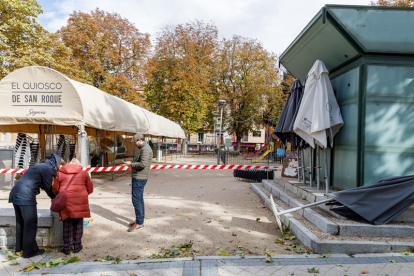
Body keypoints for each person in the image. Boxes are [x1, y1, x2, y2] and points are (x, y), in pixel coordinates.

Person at [9, 154, 65, 258]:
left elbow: (42, 184)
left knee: (21, 223)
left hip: (15, 194)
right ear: (57, 163)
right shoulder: (49, 168)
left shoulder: (41, 166)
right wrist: (56, 197)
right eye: (60, 165)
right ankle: (29, 252)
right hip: (25, 196)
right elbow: (48, 187)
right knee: (30, 224)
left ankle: (20, 249)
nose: (60, 168)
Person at [52, 158, 93, 255]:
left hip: (65, 202)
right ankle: (77, 246)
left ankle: (67, 247)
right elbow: (90, 189)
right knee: (78, 224)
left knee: (67, 224)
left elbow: (55, 189)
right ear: (79, 165)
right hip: (80, 202)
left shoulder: (60, 173)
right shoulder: (84, 173)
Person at [124, 134, 152, 232]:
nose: (135, 144)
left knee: (136, 200)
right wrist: (131, 162)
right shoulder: (144, 148)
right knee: (139, 199)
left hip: (139, 177)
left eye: (135, 142)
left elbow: (143, 164)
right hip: (139, 177)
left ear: (139, 140)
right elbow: (141, 161)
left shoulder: (145, 149)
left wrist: (131, 164)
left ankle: (139, 222)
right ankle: (140, 219)